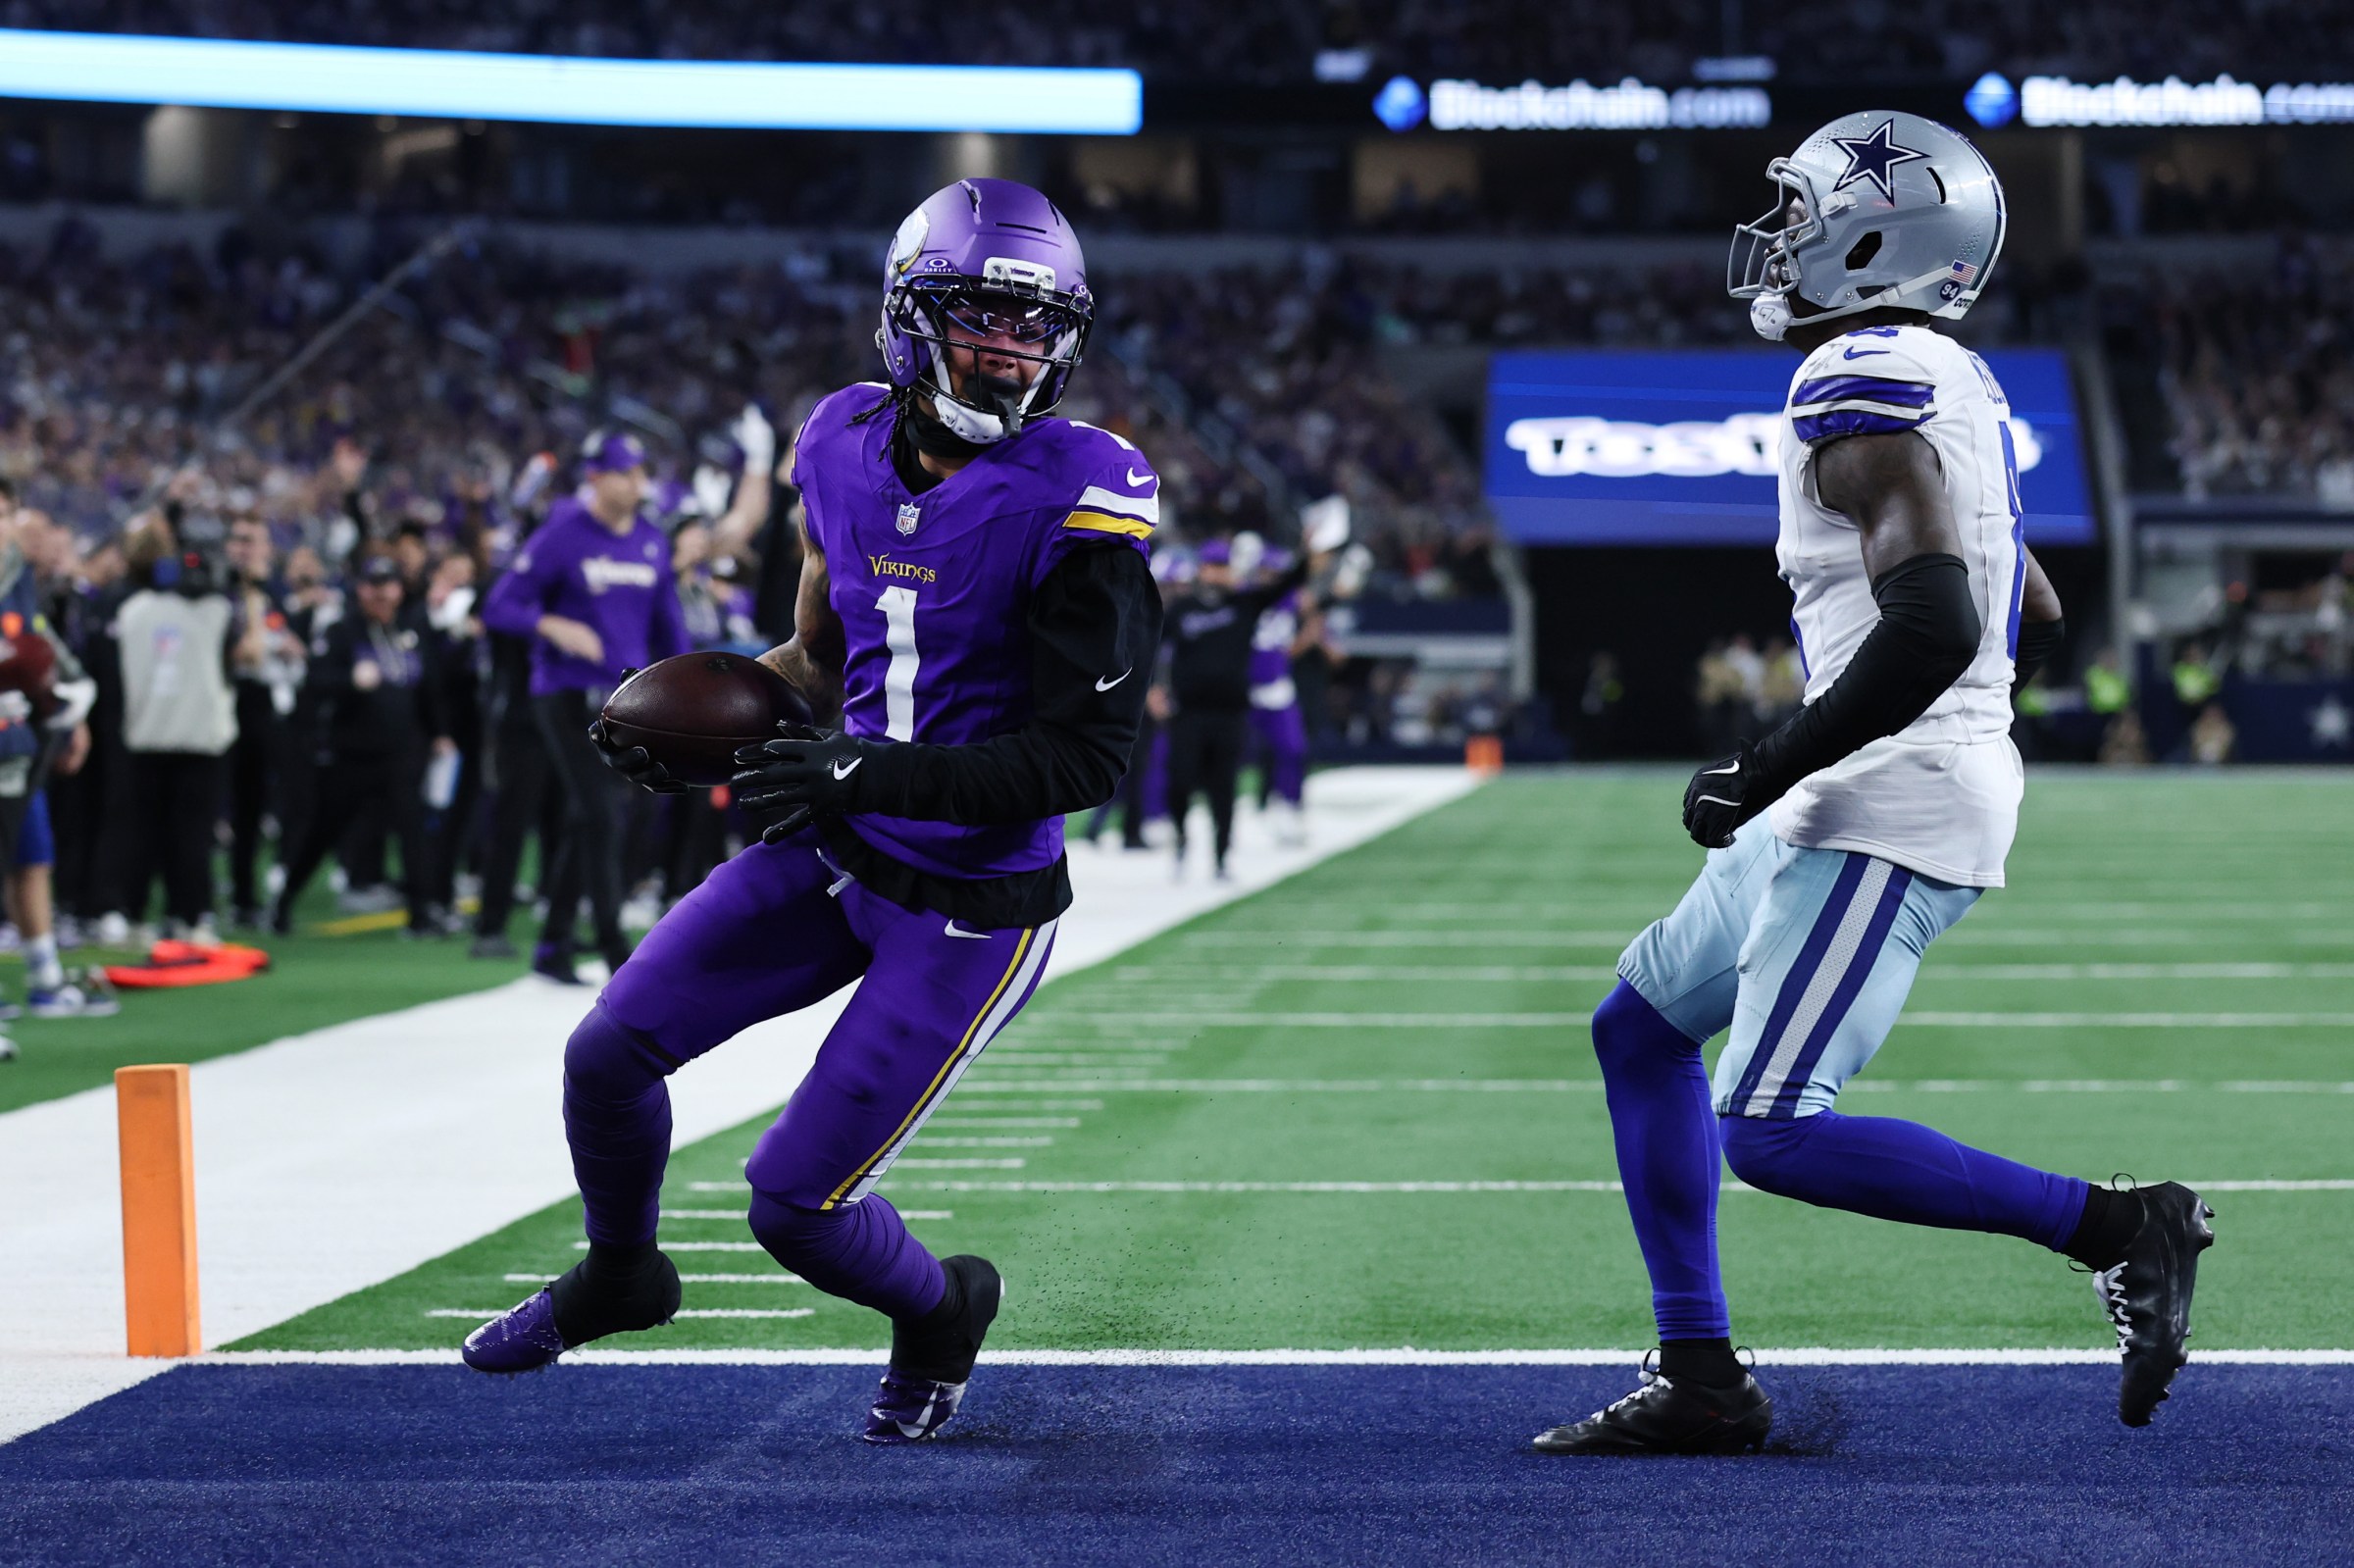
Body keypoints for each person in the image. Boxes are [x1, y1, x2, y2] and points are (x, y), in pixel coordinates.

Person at [1542, 112, 2214, 1457]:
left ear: (1871, 240)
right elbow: (2031, 592)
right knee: (1639, 1028)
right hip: (1860, 785)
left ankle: (2118, 1219)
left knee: (1774, 1127)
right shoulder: (1949, 373)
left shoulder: (1855, 371)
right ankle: (1702, 1373)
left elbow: (1937, 623)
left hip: (1884, 798)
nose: (1778, 236)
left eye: (1799, 213)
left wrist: (1764, 757)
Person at [458, 177, 1163, 1446]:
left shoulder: (1080, 497)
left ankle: (944, 1306)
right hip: (841, 843)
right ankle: (624, 1270)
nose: (1008, 348)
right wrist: (691, 705)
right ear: (906, 320)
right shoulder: (838, 438)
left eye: (1031, 325)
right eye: (980, 317)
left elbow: (1083, 757)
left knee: (794, 1203)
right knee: (604, 1055)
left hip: (969, 905)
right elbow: (815, 651)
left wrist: (865, 771)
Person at [480, 430, 689, 983]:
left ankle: (552, 946)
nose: (638, 482)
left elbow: (670, 626)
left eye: (642, 471)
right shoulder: (562, 534)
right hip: (566, 695)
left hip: (628, 699)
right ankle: (617, 950)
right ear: (596, 476)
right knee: (598, 812)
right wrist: (551, 623)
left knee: (604, 815)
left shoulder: (650, 539)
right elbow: (500, 605)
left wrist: (689, 683)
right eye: (627, 472)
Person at [271, 555, 451, 936]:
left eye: (388, 585)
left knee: (413, 830)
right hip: (352, 755)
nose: (381, 593)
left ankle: (421, 913)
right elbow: (315, 680)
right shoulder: (342, 631)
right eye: (373, 585)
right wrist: (350, 680)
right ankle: (284, 900)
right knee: (323, 830)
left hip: (402, 752)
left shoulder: (411, 630)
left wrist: (439, 733)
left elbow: (428, 688)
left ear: (399, 590)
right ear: (360, 590)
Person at [1158, 527, 1337, 880]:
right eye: (1211, 565)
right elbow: (1156, 651)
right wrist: (1155, 689)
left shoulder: (1244, 604)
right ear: (1201, 569)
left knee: (1224, 788)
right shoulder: (1181, 609)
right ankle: (1180, 839)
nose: (1216, 571)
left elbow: (1287, 584)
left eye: (1222, 565)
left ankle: (1221, 857)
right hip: (1188, 711)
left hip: (1230, 711)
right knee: (1179, 781)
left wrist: (1306, 550)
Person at [110, 530, 238, 944]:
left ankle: (130, 915)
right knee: (192, 837)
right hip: (199, 741)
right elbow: (247, 655)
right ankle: (190, 917)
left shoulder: (132, 609)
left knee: (141, 834)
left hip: (144, 737)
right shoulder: (219, 611)